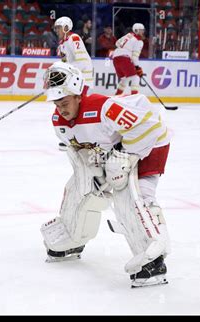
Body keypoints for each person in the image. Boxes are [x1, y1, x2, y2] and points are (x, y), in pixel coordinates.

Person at [41, 62, 171, 288]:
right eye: (56, 104)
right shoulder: (58, 121)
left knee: (129, 194)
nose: (60, 109)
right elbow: (81, 150)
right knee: (80, 186)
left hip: (150, 144)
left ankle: (152, 258)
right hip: (113, 149)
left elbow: (149, 128)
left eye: (64, 102)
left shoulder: (103, 107)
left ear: (78, 94)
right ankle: (73, 237)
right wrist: (97, 168)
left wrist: (124, 157)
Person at [53, 16, 94, 94]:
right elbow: (65, 63)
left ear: (66, 28)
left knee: (74, 103)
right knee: (65, 101)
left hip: (83, 77)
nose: (56, 31)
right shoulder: (61, 44)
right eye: (56, 28)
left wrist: (68, 73)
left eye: (58, 28)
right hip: (75, 77)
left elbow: (82, 62)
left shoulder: (74, 38)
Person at [111, 23, 145, 95]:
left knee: (124, 78)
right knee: (135, 77)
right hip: (124, 58)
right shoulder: (139, 41)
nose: (143, 32)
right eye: (141, 30)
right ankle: (134, 98)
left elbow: (117, 43)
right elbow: (134, 57)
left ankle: (116, 97)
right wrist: (137, 67)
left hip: (115, 57)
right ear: (136, 30)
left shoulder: (129, 35)